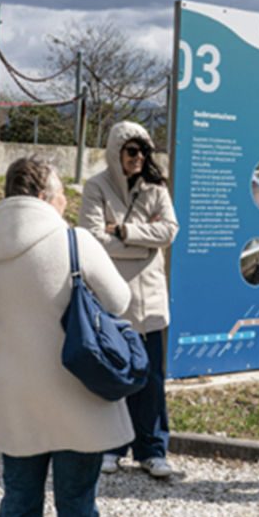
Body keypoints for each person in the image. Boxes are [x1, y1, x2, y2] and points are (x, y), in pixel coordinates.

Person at [0, 157, 134, 517]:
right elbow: (119, 301)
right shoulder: (74, 240)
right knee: (77, 506)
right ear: (47, 196)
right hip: (75, 389)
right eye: (61, 191)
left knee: (19, 502)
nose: (67, 197)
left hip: (14, 392)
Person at [79, 121, 180, 479]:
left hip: (150, 299)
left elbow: (169, 231)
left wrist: (123, 230)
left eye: (143, 151)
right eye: (131, 150)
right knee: (115, 374)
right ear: (115, 151)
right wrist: (144, 243)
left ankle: (153, 450)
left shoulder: (157, 189)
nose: (138, 158)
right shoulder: (96, 187)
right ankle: (111, 446)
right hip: (112, 299)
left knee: (152, 376)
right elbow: (91, 238)